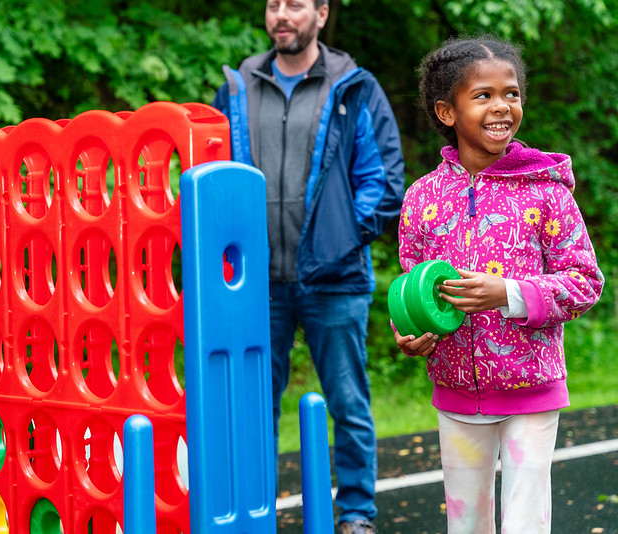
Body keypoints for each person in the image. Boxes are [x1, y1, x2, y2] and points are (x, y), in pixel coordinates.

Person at [395, 36, 603, 533]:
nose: (502, 107)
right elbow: (411, 290)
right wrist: (411, 334)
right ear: (447, 111)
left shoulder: (547, 190)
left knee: (525, 523)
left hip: (533, 389)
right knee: (466, 524)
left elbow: (585, 281)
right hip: (456, 391)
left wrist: (507, 294)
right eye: (483, 95)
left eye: (511, 93)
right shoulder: (422, 197)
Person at [213, 1, 405, 532]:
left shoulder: (353, 86)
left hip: (335, 278)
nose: (281, 14)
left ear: (321, 13)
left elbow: (384, 181)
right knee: (251, 408)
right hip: (251, 283)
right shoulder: (237, 87)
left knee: (347, 402)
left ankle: (357, 513)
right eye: (274, 4)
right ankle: (255, 513)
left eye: (295, 4)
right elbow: (213, 175)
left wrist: (339, 241)